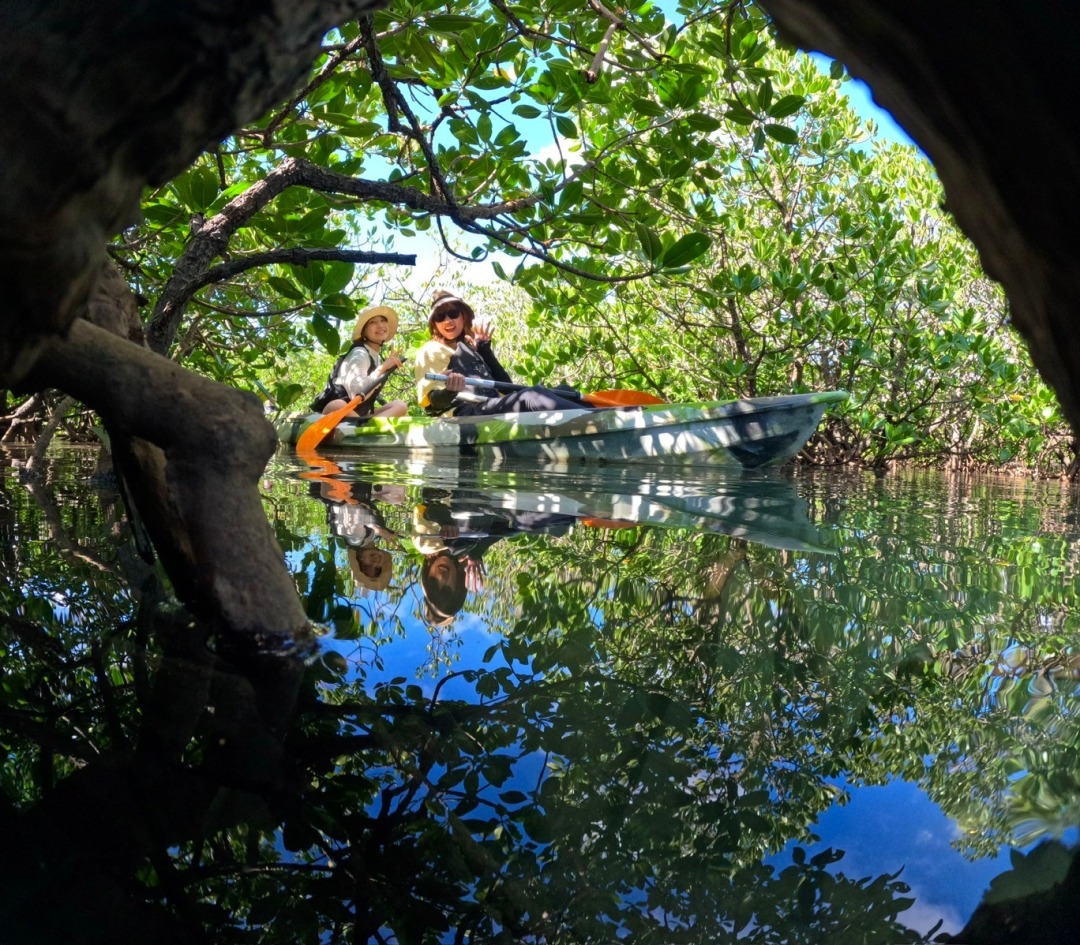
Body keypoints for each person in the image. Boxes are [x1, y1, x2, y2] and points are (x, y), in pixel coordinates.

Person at [414, 289, 585, 417]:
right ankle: (596, 419)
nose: (448, 320)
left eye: (453, 313)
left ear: (463, 316)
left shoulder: (471, 347)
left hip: (489, 406)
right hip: (461, 415)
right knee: (531, 396)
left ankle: (601, 417)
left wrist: (485, 351)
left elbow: (506, 387)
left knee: (564, 390)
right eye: (440, 317)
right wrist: (450, 390)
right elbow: (433, 403)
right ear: (434, 324)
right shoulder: (429, 351)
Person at [311, 305, 408, 418]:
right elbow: (357, 393)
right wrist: (383, 367)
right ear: (364, 331)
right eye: (372, 322)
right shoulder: (359, 353)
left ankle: (365, 428)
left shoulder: (374, 356)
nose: (380, 325)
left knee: (400, 405)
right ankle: (365, 428)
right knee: (337, 405)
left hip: (358, 416)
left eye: (383, 320)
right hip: (338, 413)